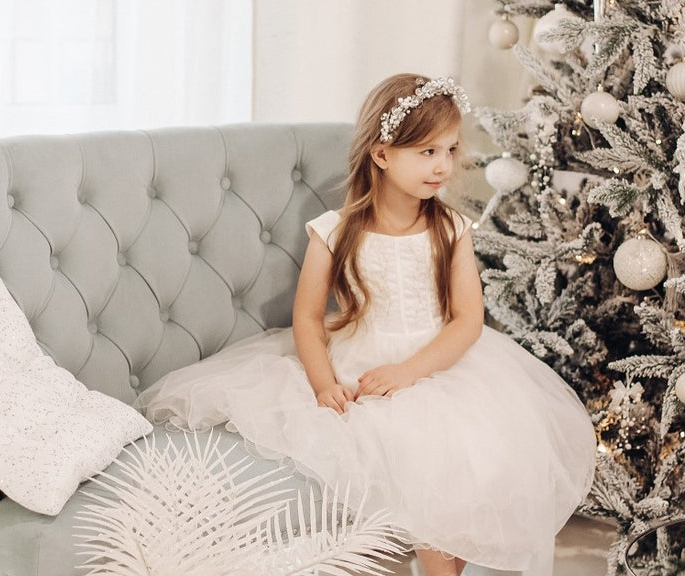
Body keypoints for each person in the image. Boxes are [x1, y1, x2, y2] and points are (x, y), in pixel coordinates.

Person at [135, 73, 596, 576]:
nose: (444, 166)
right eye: (426, 152)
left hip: (439, 364)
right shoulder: (335, 231)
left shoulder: (451, 229)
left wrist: (408, 372)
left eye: (450, 149)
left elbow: (467, 321)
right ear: (381, 154)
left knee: (464, 454)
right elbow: (307, 318)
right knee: (409, 452)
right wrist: (322, 383)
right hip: (358, 361)